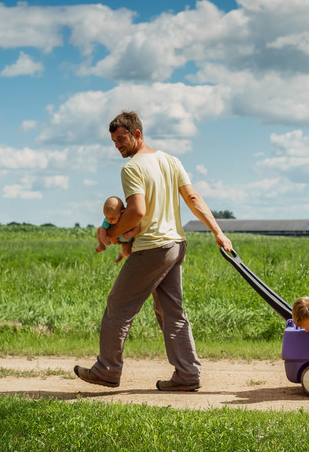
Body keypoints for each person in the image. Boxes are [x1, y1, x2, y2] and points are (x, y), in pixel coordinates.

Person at [75, 111, 233, 391]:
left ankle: (107, 370)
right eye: (113, 141)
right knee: (172, 312)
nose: (118, 146)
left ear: (137, 134)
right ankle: (187, 374)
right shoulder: (171, 161)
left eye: (122, 139)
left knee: (118, 307)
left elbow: (137, 211)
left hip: (153, 248)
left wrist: (111, 233)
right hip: (176, 245)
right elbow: (193, 198)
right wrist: (217, 232)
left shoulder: (132, 168)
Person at [94, 195, 141, 263]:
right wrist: (104, 239)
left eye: (112, 218)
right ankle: (101, 245)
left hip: (126, 241)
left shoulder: (126, 219)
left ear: (121, 213)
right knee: (99, 229)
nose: (109, 220)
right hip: (114, 237)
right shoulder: (108, 219)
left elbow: (137, 227)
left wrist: (129, 235)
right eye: (106, 217)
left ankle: (122, 255)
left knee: (128, 252)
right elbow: (103, 228)